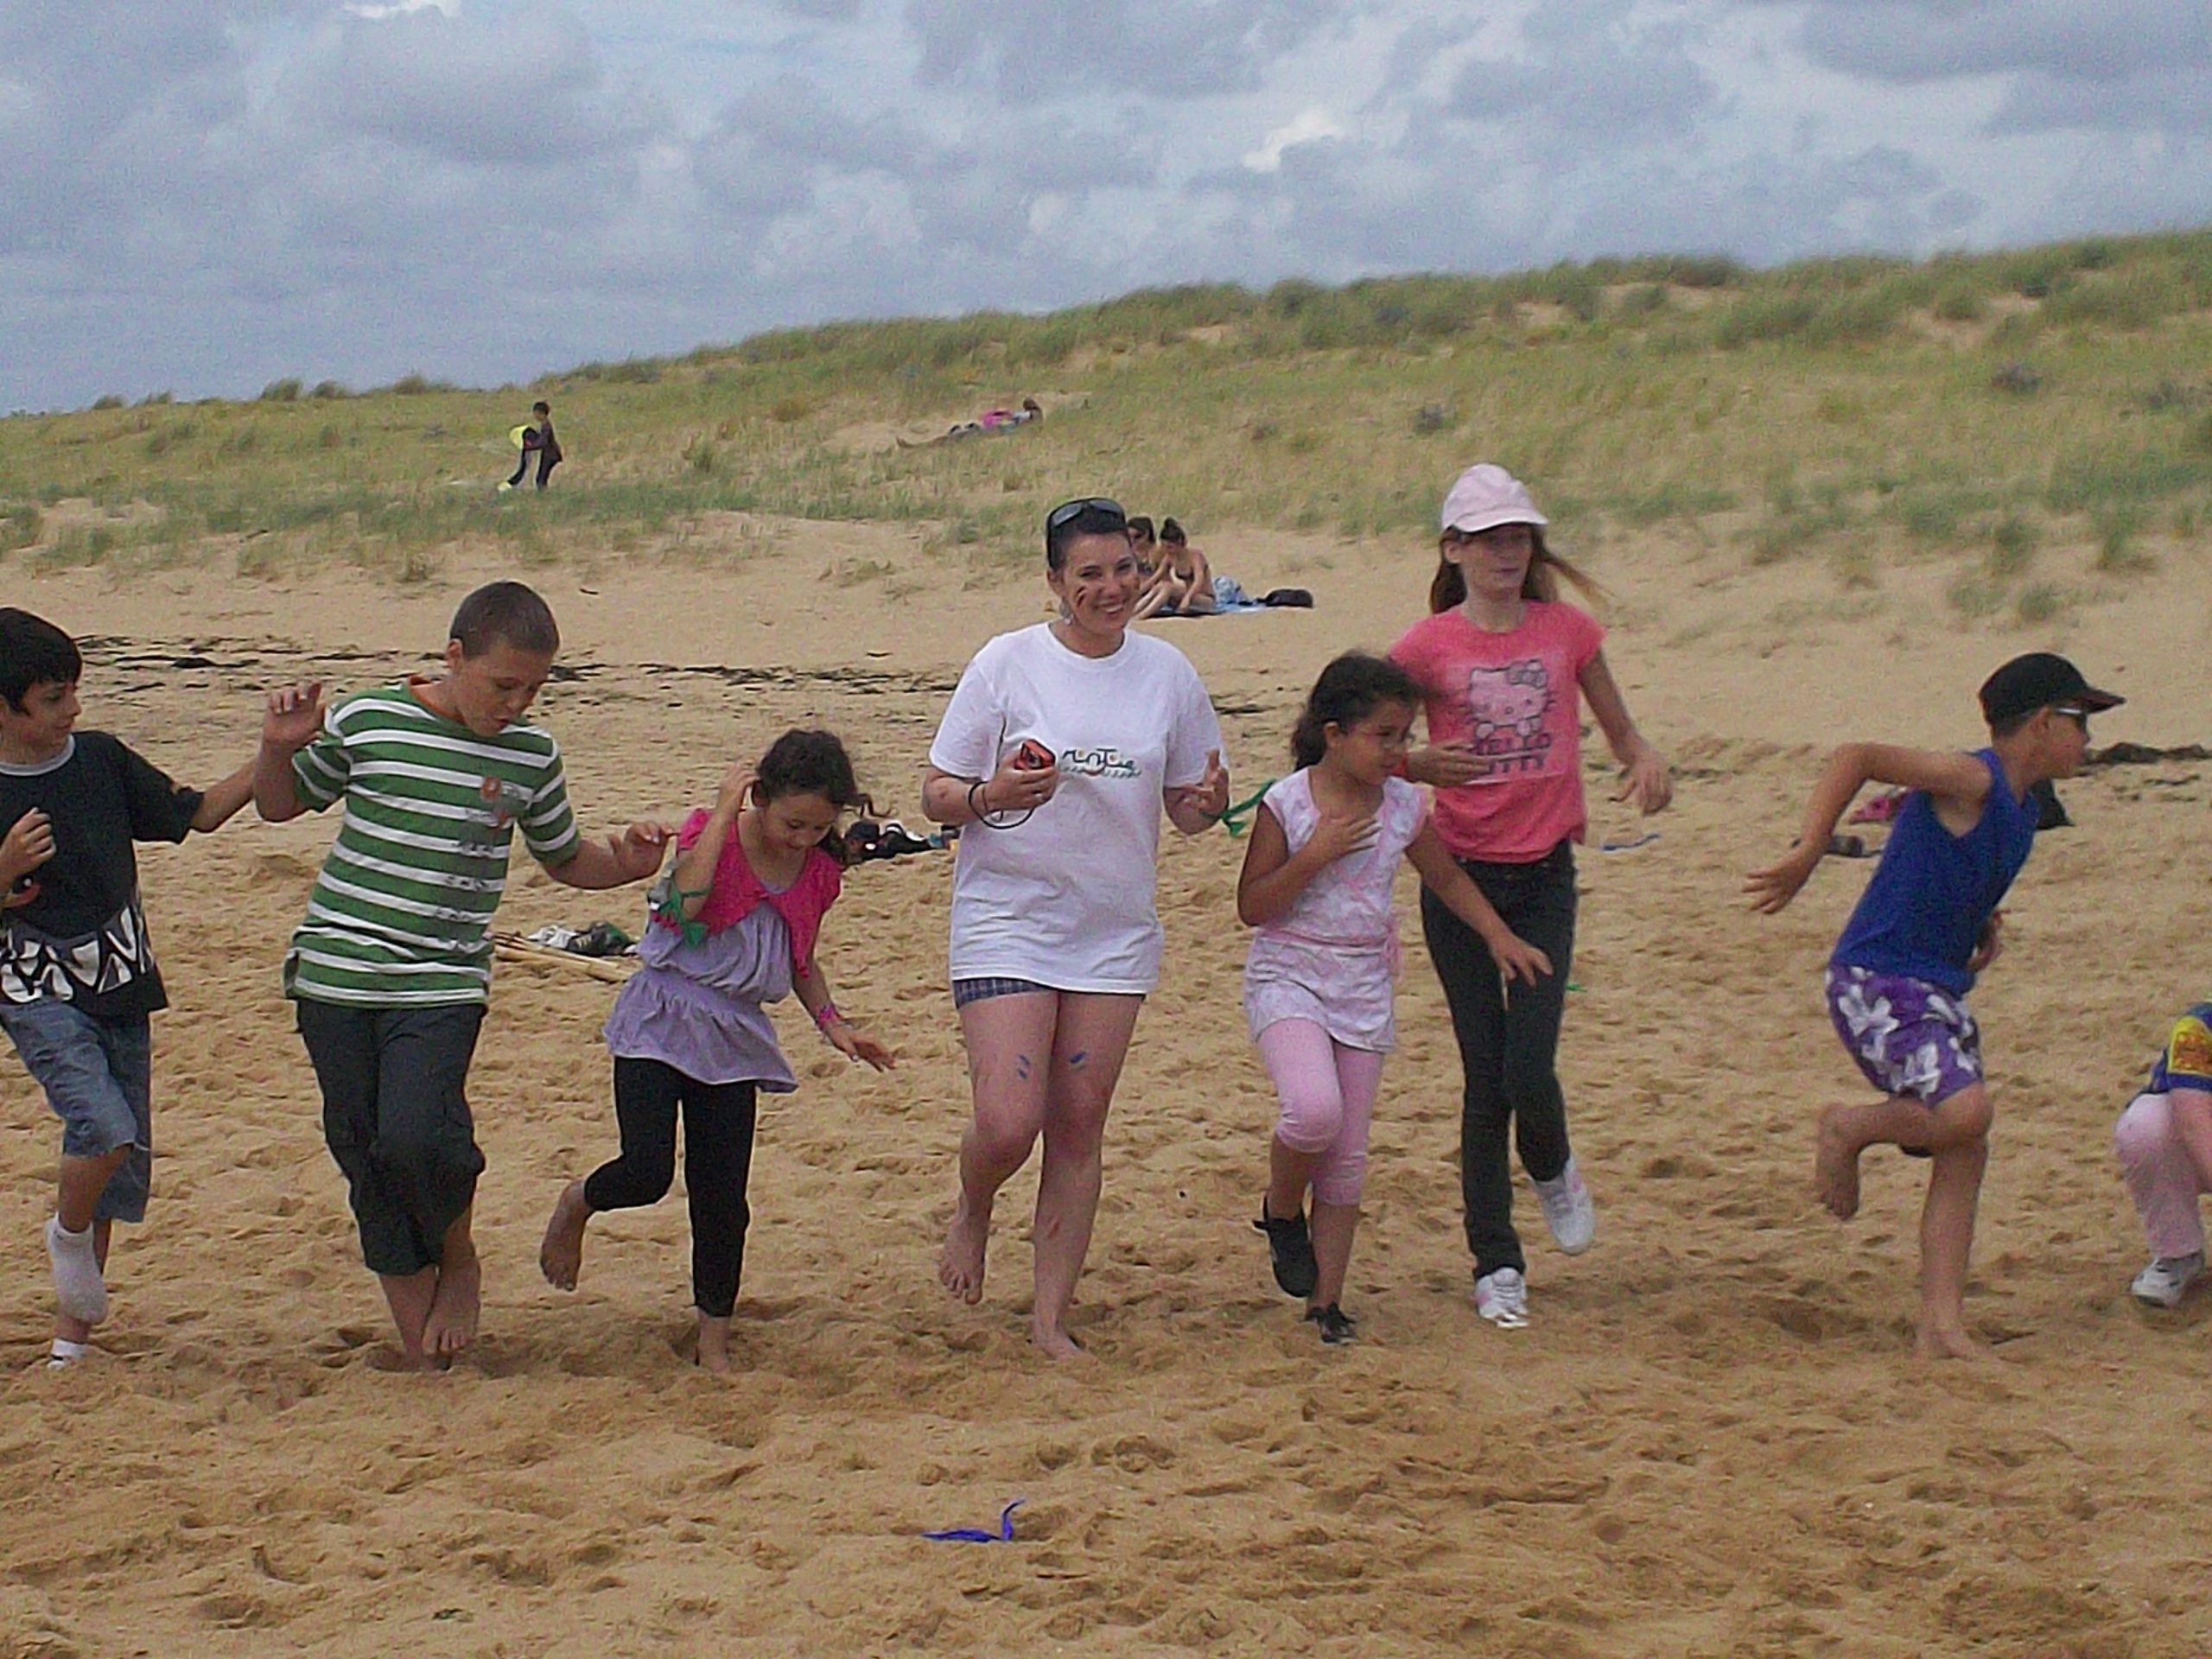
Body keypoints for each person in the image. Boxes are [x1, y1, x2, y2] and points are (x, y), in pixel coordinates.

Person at [254, 581, 668, 1371]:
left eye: (534, 690)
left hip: (443, 979)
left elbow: (566, 857)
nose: (516, 704)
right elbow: (277, 807)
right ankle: (419, 1337)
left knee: (419, 1138)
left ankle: (459, 1254)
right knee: (361, 1149)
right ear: (454, 657)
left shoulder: (532, 756)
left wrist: (626, 864)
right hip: (337, 973)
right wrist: (277, 748)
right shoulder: (369, 719)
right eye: (503, 684)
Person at [1746, 651, 2122, 1359]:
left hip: (1935, 988)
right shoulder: (1973, 777)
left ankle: (1940, 1325)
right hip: (1877, 981)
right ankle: (1848, 1128)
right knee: (1966, 1113)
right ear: (2043, 723)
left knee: (1965, 1146)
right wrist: (1809, 848)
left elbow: (1949, 870)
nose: (2089, 738)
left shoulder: (2025, 809)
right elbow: (1857, 757)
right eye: (2081, 720)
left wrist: (1977, 925)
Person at [922, 496, 1229, 1357]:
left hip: (1111, 930)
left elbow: (1189, 808)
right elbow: (938, 793)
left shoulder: (1168, 674)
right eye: (1088, 574)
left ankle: (1050, 1318)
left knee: (1079, 1122)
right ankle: (975, 1206)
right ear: (1055, 581)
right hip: (1008, 919)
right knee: (1009, 1121)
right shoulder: (1007, 663)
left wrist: (1207, 803)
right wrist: (993, 794)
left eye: (1124, 569)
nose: (1111, 588)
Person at [1391, 464, 1671, 1331]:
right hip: (1459, 877)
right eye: (1488, 540)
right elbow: (1364, 746)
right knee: (1486, 1080)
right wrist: (1416, 762)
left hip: (1544, 874)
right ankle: (1496, 1263)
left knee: (1529, 1067)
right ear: (1453, 549)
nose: (1506, 554)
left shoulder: (1568, 632)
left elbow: (1621, 731)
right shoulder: (1424, 647)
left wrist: (1643, 762)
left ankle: (1551, 1167)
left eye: (1517, 538)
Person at [538, 730, 893, 1372]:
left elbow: (801, 958)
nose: (803, 839)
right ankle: (578, 1202)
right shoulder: (711, 833)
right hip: (662, 1015)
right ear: (760, 798)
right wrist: (725, 813)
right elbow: (683, 907)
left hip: (735, 1035)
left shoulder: (819, 870)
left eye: (818, 828)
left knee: (723, 1197)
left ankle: (713, 1339)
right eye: (792, 823)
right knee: (646, 1170)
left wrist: (834, 1024)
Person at [1239, 653, 1551, 1343]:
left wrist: (1499, 936)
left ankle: (1326, 1304)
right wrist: (1314, 854)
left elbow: (1446, 878)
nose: (1398, 751)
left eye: (1404, 736)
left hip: (1363, 984)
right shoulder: (1288, 803)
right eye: (1383, 736)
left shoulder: (1404, 805)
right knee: (1312, 1111)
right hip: (1289, 975)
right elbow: (1253, 906)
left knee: (1348, 1155)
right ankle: (1281, 1210)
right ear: (1333, 734)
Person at [0, 608, 257, 1367]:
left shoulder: (101, 760)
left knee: (115, 1167)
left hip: (121, 982)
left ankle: (70, 1346)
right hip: (33, 987)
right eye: (53, 698)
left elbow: (197, 814)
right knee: (103, 1129)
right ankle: (66, 1236)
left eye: (73, 691)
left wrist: (272, 752)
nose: (73, 709)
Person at [2114, 1003, 2212, 1309]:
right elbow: (2193, 1121)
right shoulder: (2198, 1028)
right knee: (2145, 1127)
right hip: (2202, 1138)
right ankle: (2177, 1253)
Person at [1131, 518, 1216, 620]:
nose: (1167, 551)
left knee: (1168, 587)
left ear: (1180, 543)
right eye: (1164, 547)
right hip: (1184, 595)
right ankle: (1133, 612)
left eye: (1170, 547)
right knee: (1161, 585)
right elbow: (1155, 578)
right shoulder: (1170, 557)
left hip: (1203, 598)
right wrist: (1137, 594)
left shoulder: (1195, 556)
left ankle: (1141, 616)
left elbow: (1199, 580)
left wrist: (1187, 599)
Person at [502, 401, 562, 493]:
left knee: (540, 480)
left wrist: (529, 447)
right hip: (549, 454)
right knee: (541, 479)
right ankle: (544, 495)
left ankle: (544, 496)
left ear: (542, 414)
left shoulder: (546, 426)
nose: (535, 416)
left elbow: (542, 442)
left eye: (536, 413)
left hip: (550, 455)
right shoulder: (545, 425)